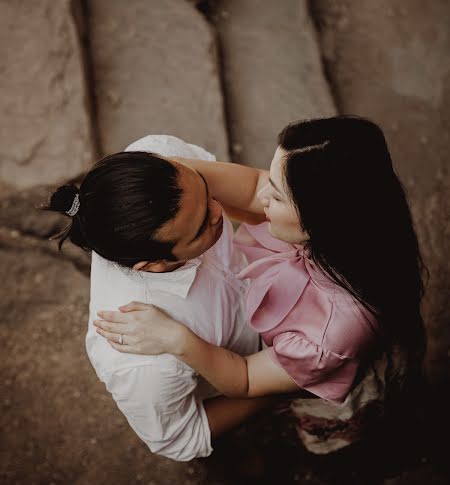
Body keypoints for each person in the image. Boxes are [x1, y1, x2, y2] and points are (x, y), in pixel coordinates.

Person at [94, 116, 427, 454]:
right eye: (273, 175)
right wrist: (159, 185)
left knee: (349, 422)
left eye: (278, 196)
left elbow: (248, 379)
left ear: (321, 222)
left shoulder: (334, 332)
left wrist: (178, 339)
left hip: (325, 371)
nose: (263, 192)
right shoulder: (362, 216)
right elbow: (254, 186)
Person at [42, 134, 285, 462]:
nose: (219, 211)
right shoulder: (142, 362)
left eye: (206, 189)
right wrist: (283, 383)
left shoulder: (158, 159)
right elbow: (181, 439)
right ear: (154, 264)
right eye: (201, 228)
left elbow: (246, 189)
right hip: (258, 364)